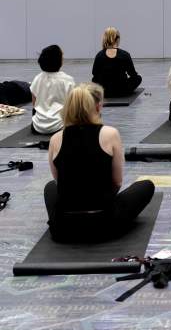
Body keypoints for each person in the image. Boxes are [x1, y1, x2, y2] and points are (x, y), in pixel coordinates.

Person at [45, 83, 155, 242]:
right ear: (97, 107)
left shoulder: (55, 139)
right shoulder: (110, 134)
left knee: (50, 187)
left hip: (64, 228)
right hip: (105, 224)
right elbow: (117, 182)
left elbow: (59, 182)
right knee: (146, 186)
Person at [30, 44, 75, 135]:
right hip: (60, 126)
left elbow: (34, 104)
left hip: (37, 126)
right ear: (59, 61)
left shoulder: (37, 78)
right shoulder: (68, 80)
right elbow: (73, 105)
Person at [91, 27, 142, 98]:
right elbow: (133, 74)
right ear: (117, 39)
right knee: (138, 78)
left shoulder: (99, 55)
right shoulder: (124, 54)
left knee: (94, 80)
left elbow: (95, 74)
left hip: (105, 91)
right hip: (122, 90)